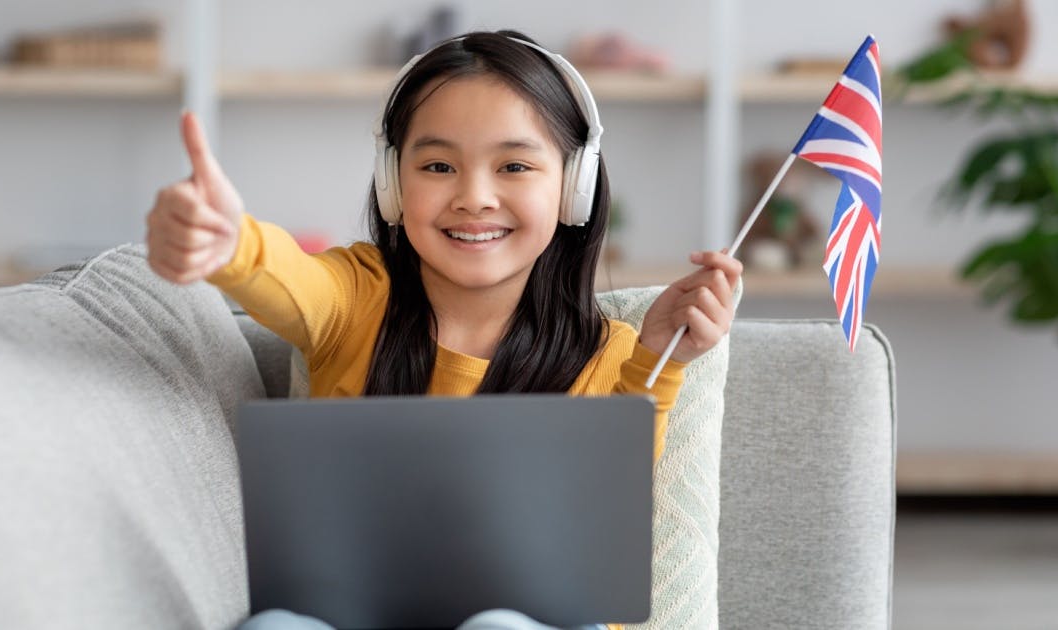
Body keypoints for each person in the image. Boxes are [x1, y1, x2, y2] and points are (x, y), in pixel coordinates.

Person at [145, 30, 741, 630]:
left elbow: (602, 533)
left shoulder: (608, 351)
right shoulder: (356, 296)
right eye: (437, 165)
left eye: (514, 165)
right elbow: (287, 275)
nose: (474, 197)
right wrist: (231, 243)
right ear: (391, 182)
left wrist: (658, 361)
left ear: (574, 185)